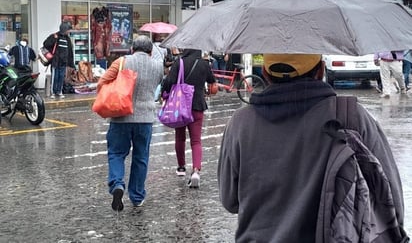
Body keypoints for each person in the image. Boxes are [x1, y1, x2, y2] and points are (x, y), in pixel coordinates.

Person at [217, 54, 405, 242]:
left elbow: (229, 200)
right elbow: (392, 202)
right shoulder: (351, 117)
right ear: (321, 70)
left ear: (265, 73)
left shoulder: (240, 124)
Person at [98, 35, 163, 212]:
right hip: (145, 119)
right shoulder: (158, 66)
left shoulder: (121, 62)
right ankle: (137, 196)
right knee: (141, 157)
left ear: (132, 49)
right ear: (150, 51)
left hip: (121, 117)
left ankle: (117, 184)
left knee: (116, 153)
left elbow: (101, 83)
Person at [161, 49, 216, 188]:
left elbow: (169, 82)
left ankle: (181, 167)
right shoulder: (204, 64)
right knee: (196, 140)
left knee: (180, 137)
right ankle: (196, 170)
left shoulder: (179, 62)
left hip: (180, 106)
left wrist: (164, 92)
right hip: (197, 105)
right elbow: (212, 81)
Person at [43, 21, 75, 99]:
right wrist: (53, 40)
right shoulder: (55, 36)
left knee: (61, 77)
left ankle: (59, 91)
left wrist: (71, 64)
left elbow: (70, 52)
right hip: (55, 61)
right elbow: (46, 44)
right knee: (55, 77)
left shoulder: (67, 39)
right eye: (68, 30)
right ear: (64, 29)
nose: (69, 31)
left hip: (63, 62)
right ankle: (53, 92)